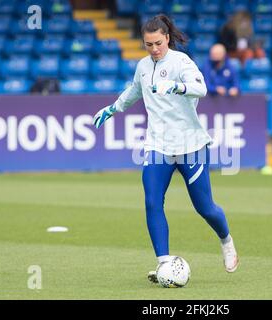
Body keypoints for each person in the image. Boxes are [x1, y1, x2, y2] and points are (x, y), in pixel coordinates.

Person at [92, 14, 239, 283]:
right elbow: (134, 91)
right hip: (157, 145)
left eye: (158, 43)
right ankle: (164, 264)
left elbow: (201, 88)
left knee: (204, 207)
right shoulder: (143, 67)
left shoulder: (181, 61)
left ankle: (226, 240)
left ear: (167, 38)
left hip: (190, 145)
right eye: (148, 44)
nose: (154, 49)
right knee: (151, 202)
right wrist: (113, 108)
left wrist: (176, 86)